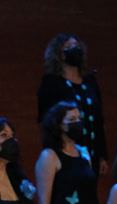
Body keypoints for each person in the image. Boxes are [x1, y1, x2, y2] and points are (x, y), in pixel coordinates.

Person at [37, 33, 108, 176]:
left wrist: (102, 154)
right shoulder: (51, 83)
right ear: (59, 54)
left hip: (92, 150)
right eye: (69, 47)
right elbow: (46, 120)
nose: (75, 49)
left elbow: (99, 119)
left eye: (76, 46)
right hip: (65, 151)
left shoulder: (90, 82)